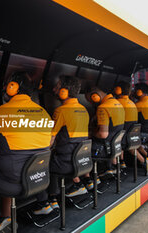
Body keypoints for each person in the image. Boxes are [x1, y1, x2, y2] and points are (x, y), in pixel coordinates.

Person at [0, 72, 52, 232]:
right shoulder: (44, 112)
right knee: (6, 165)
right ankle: (6, 216)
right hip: (35, 179)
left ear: (12, 88)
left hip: (12, 180)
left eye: (6, 85)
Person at [32, 75, 92, 216]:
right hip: (79, 161)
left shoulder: (61, 111)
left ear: (65, 91)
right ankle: (53, 199)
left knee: (39, 165)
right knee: (52, 162)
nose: (54, 89)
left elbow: (50, 140)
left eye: (57, 87)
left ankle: (43, 203)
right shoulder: (83, 109)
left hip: (66, 162)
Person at [86, 86, 125, 176]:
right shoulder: (118, 103)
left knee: (81, 149)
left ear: (96, 96)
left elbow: (103, 134)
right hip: (115, 147)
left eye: (91, 100)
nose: (91, 103)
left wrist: (91, 134)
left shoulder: (103, 108)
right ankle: (111, 167)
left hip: (104, 149)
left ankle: (88, 180)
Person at [113, 81, 140, 168]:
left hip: (123, 138)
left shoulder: (117, 103)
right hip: (131, 137)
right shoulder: (132, 103)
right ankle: (121, 161)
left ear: (118, 90)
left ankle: (113, 165)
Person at [134, 83, 148, 172]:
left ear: (139, 92)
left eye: (135, 91)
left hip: (143, 134)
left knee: (129, 144)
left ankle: (143, 162)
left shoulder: (139, 105)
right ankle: (147, 156)